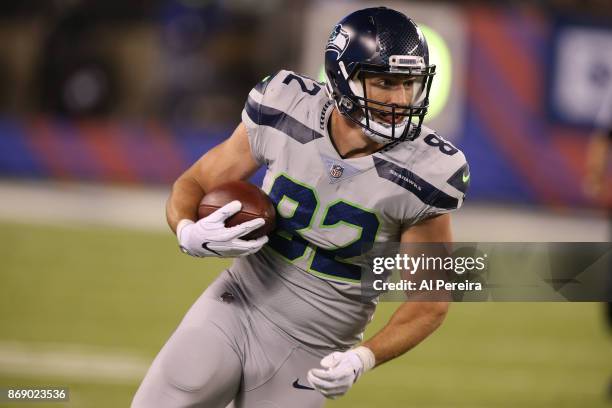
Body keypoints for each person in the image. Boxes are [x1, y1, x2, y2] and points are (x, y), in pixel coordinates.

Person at [132, 7, 469, 408]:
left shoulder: (427, 172)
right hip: (237, 303)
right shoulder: (285, 107)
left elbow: (431, 299)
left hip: (314, 346)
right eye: (385, 82)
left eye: (409, 84)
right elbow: (196, 182)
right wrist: (187, 230)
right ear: (342, 77)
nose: (400, 98)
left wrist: (365, 358)